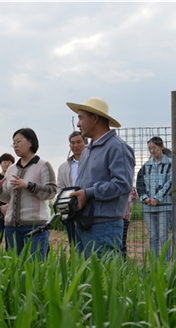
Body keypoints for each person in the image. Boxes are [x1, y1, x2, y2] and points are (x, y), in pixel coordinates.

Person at [66, 97, 135, 259]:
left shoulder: (117, 147)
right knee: (86, 279)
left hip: (104, 227)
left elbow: (122, 184)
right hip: (84, 223)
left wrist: (88, 193)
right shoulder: (87, 151)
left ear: (95, 118)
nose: (78, 124)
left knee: (104, 280)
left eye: (81, 118)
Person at [0, 128, 57, 259]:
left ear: (31, 142)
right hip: (12, 228)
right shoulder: (12, 169)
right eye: (13, 143)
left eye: (18, 141)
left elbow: (51, 192)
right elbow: (7, 197)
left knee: (35, 268)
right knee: (15, 268)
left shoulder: (43, 165)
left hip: (35, 227)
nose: (15, 145)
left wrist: (29, 185)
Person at [136, 136, 173, 262]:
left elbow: (171, 183)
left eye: (154, 148)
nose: (152, 151)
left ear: (161, 146)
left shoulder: (170, 164)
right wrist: (145, 198)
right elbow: (139, 183)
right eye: (150, 148)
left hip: (164, 205)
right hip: (147, 205)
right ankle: (154, 262)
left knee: (163, 235)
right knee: (152, 236)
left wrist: (157, 198)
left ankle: (165, 262)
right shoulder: (146, 165)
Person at [56, 131, 88, 248]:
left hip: (89, 210)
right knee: (74, 245)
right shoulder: (63, 167)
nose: (75, 145)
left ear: (86, 143)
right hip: (70, 211)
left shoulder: (91, 162)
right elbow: (60, 188)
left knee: (89, 246)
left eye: (79, 142)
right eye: (72, 143)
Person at [121, 188, 138, 255]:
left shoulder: (128, 184)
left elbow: (134, 196)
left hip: (125, 216)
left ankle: (123, 260)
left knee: (123, 239)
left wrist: (123, 199)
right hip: (113, 216)